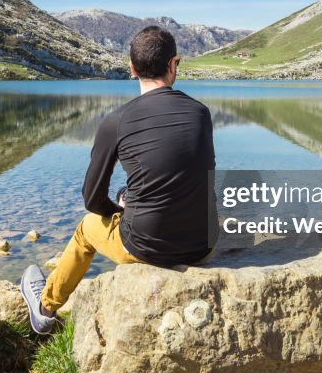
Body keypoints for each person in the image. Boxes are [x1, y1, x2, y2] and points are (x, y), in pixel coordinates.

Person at [20, 25, 216, 334]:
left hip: (146, 248)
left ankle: (45, 308)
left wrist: (120, 208)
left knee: (86, 228)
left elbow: (92, 199)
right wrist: (133, 198)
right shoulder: (200, 113)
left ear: (132, 69)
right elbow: (188, 175)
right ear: (174, 64)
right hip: (203, 245)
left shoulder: (117, 121)